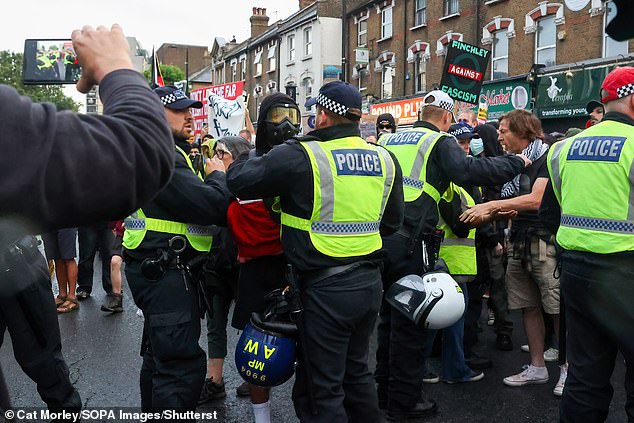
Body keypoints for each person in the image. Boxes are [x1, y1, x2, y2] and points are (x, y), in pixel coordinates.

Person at [0, 23, 174, 417]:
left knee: (47, 365)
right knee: (45, 360)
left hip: (16, 263)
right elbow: (138, 154)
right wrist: (117, 67)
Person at [227, 81, 404, 423]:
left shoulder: (303, 154)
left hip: (324, 290)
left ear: (322, 116)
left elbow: (240, 181)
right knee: (356, 376)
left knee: (323, 391)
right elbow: (391, 222)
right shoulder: (384, 157)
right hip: (368, 285)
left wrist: (245, 149)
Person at [376, 90, 530, 420]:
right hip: (410, 244)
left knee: (387, 321)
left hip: (380, 240)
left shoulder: (389, 140)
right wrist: (516, 162)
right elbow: (469, 172)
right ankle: (405, 401)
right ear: (446, 118)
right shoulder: (438, 142)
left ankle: (385, 392)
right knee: (410, 325)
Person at [122, 85, 231, 416]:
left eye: (190, 109)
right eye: (179, 110)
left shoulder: (164, 151)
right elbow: (210, 206)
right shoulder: (160, 155)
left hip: (163, 269)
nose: (189, 115)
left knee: (159, 359)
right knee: (180, 371)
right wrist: (219, 177)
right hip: (167, 273)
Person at [540, 66, 634, 422]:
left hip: (578, 272)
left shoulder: (563, 149)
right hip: (626, 272)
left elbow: (553, 211)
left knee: (585, 377)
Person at [460, 109, 562, 391]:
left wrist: (490, 207)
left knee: (555, 308)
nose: (499, 136)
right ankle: (538, 367)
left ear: (523, 132)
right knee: (528, 305)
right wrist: (487, 217)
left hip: (543, 243)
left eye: (504, 131)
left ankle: (568, 369)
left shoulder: (546, 156)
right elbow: (512, 203)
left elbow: (536, 199)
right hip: (517, 239)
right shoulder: (514, 163)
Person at [224, 93, 302, 423]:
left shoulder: (305, 157)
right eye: (277, 116)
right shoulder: (246, 166)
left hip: (296, 267)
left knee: (310, 348)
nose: (285, 124)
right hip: (259, 269)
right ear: (262, 121)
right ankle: (262, 418)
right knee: (258, 347)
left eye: (291, 115)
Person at [197, 137, 250, 404]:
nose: (216, 158)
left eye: (223, 153)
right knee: (215, 323)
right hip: (217, 261)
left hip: (243, 264)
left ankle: (254, 377)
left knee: (250, 324)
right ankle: (214, 381)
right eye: (214, 152)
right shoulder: (213, 181)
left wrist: (218, 177)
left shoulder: (250, 183)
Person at [42, 228, 79, 313]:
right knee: (56, 258)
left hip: (65, 220)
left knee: (68, 257)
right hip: (48, 221)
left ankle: (72, 297)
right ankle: (62, 295)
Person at [76, 222, 114, 301]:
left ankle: (112, 285)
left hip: (108, 219)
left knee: (110, 254)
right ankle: (84, 287)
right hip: (87, 219)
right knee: (86, 254)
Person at [101, 220, 124, 313]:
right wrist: (114, 226)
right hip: (123, 234)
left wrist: (131, 224)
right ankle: (116, 300)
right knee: (114, 261)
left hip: (141, 234)